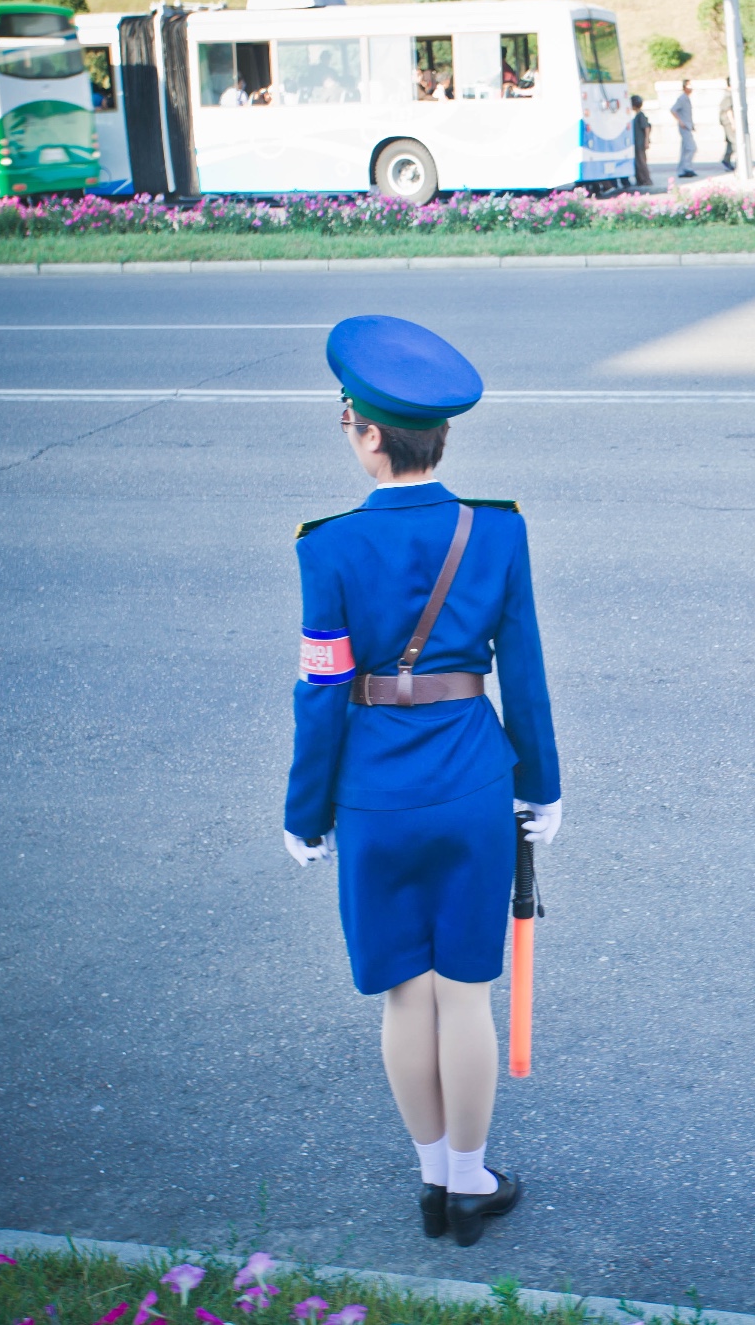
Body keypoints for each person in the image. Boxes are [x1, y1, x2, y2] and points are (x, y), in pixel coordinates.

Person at [285, 315, 562, 1250]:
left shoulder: (326, 548)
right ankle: (472, 1181)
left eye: (347, 423)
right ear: (438, 434)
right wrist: (544, 786)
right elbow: (521, 671)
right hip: (474, 784)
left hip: (372, 795)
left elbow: (322, 691)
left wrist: (304, 811)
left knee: (406, 994)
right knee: (464, 993)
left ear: (370, 435)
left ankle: (433, 1177)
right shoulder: (496, 535)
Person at [671, 78, 697, 178]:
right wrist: (680, 121)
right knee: (691, 148)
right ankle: (687, 168)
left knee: (685, 149)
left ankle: (682, 170)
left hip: (688, 126)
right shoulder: (682, 98)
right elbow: (673, 110)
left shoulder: (686, 98)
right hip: (684, 127)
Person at [630, 93, 652, 186]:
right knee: (638, 162)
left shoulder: (640, 115)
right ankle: (640, 180)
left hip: (640, 143)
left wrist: (646, 141)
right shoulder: (637, 115)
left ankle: (646, 179)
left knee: (642, 162)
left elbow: (646, 128)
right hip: (637, 143)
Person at [718, 78, 737, 171]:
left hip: (728, 121)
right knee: (735, 142)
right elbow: (728, 110)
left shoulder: (729, 94)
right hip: (728, 122)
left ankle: (726, 160)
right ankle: (739, 162)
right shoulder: (728, 95)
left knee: (730, 141)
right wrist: (733, 123)